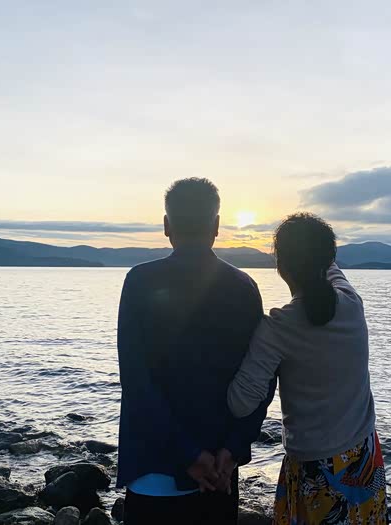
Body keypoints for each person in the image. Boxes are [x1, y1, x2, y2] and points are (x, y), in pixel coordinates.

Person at [116, 178, 276, 525]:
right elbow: (260, 378)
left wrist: (189, 455)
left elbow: (136, 382)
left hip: (154, 472)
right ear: (216, 226)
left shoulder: (140, 281)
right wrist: (234, 448)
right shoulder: (244, 287)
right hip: (219, 474)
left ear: (166, 225)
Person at [227, 213, 388, 525]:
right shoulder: (352, 304)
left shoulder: (277, 328)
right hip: (364, 457)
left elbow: (240, 403)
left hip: (314, 469)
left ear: (281, 267)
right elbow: (331, 270)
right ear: (328, 260)